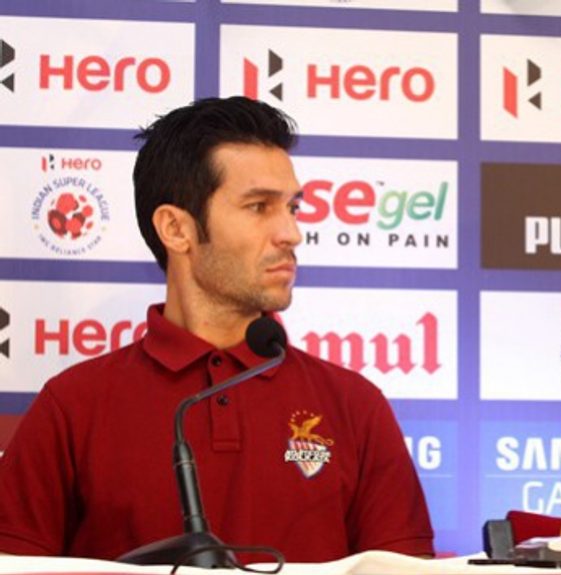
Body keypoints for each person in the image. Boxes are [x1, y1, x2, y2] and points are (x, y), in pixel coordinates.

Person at [0, 97, 434, 562]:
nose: (290, 232)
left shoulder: (355, 405)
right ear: (176, 229)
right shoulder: (72, 406)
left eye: (293, 207)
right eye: (259, 207)